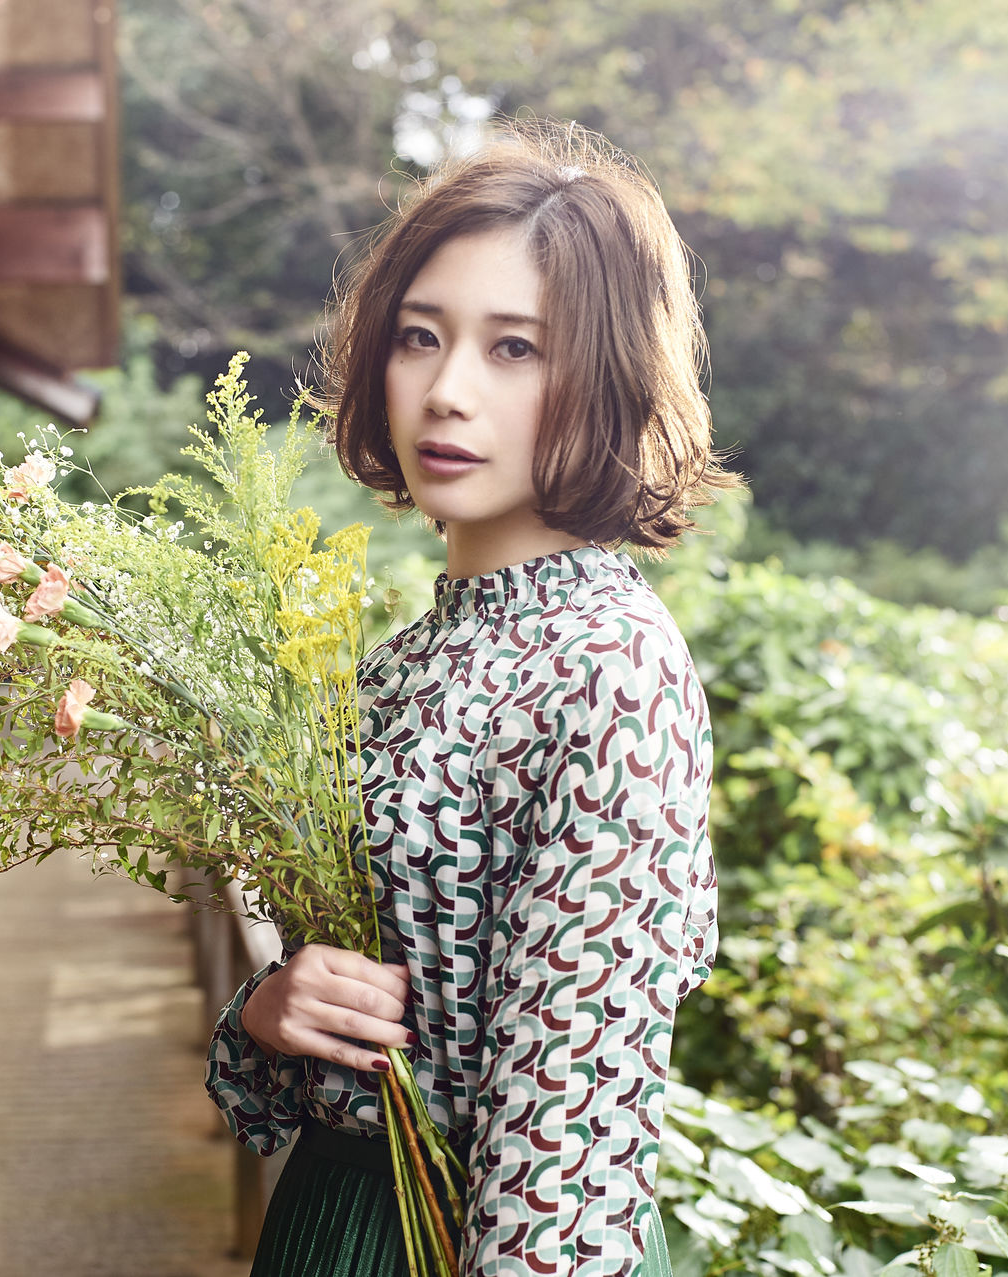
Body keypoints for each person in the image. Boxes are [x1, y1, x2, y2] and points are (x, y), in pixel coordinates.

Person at [203, 118, 738, 1277]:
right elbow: (283, 1078)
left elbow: (571, 1142)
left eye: (515, 349)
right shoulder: (397, 664)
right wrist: (272, 1011)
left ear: (607, 377)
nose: (446, 391)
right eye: (420, 336)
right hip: (331, 1223)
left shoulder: (612, 668)